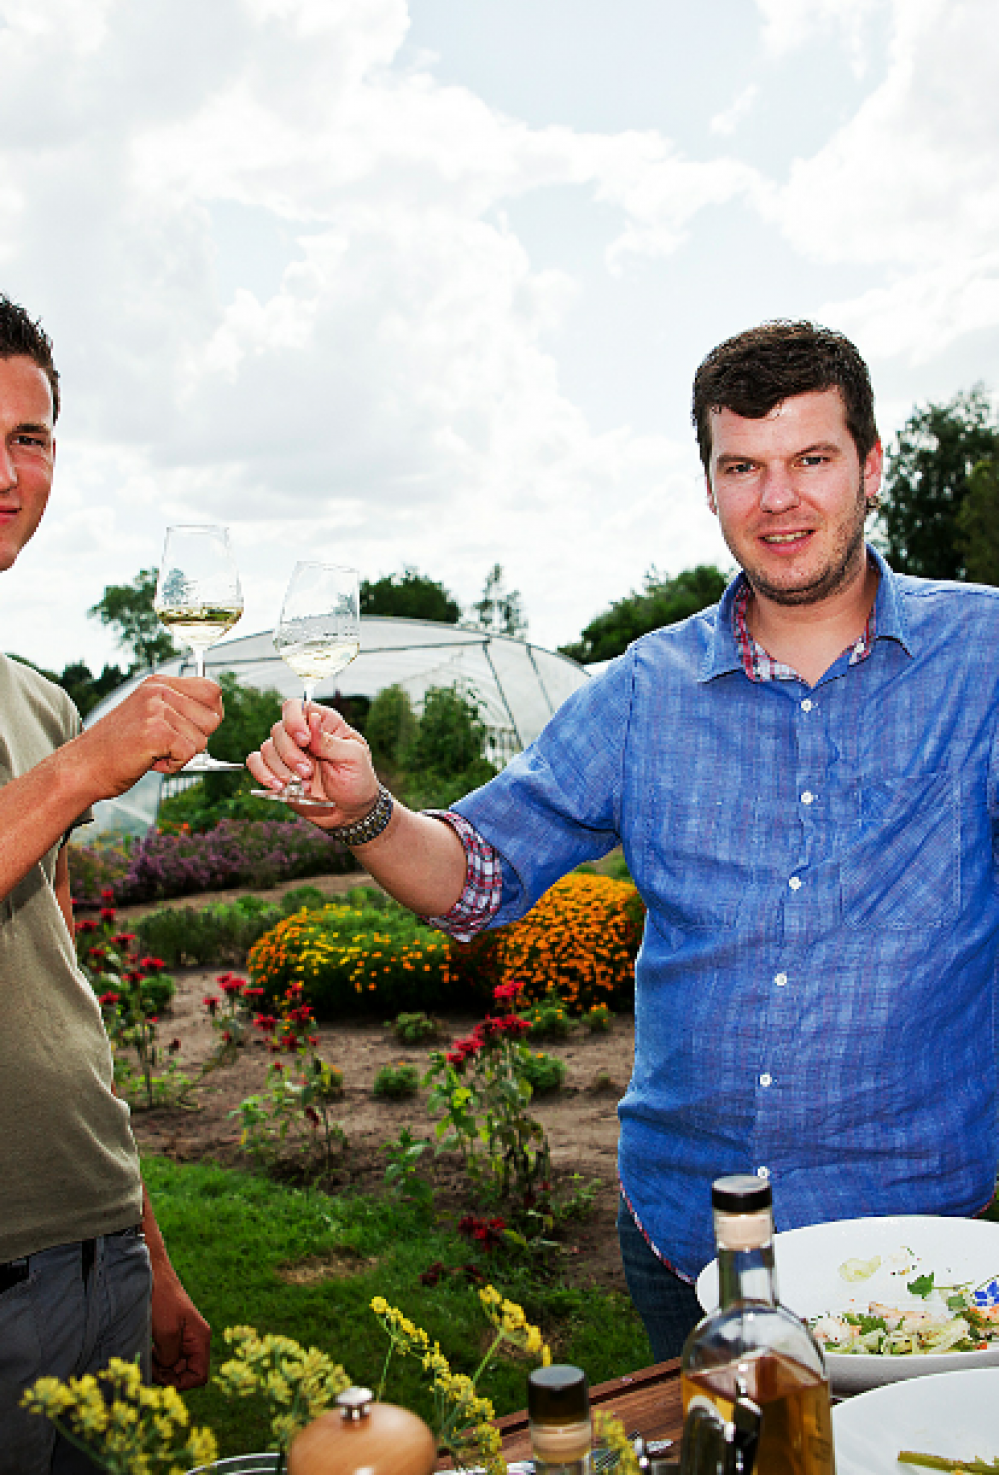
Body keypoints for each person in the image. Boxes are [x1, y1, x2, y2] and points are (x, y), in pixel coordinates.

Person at [248, 320, 999, 1362]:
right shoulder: (647, 688)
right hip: (687, 1241)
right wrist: (365, 810)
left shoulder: (984, 659)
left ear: (872, 466)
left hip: (921, 1248)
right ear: (710, 486)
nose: (777, 500)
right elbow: (478, 876)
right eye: (743, 467)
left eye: (811, 460)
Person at [0, 296, 219, 1472]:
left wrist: (147, 1256)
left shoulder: (34, 700)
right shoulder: (66, 739)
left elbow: (63, 997)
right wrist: (92, 760)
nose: (9, 470)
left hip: (96, 1254)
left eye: (30, 439)